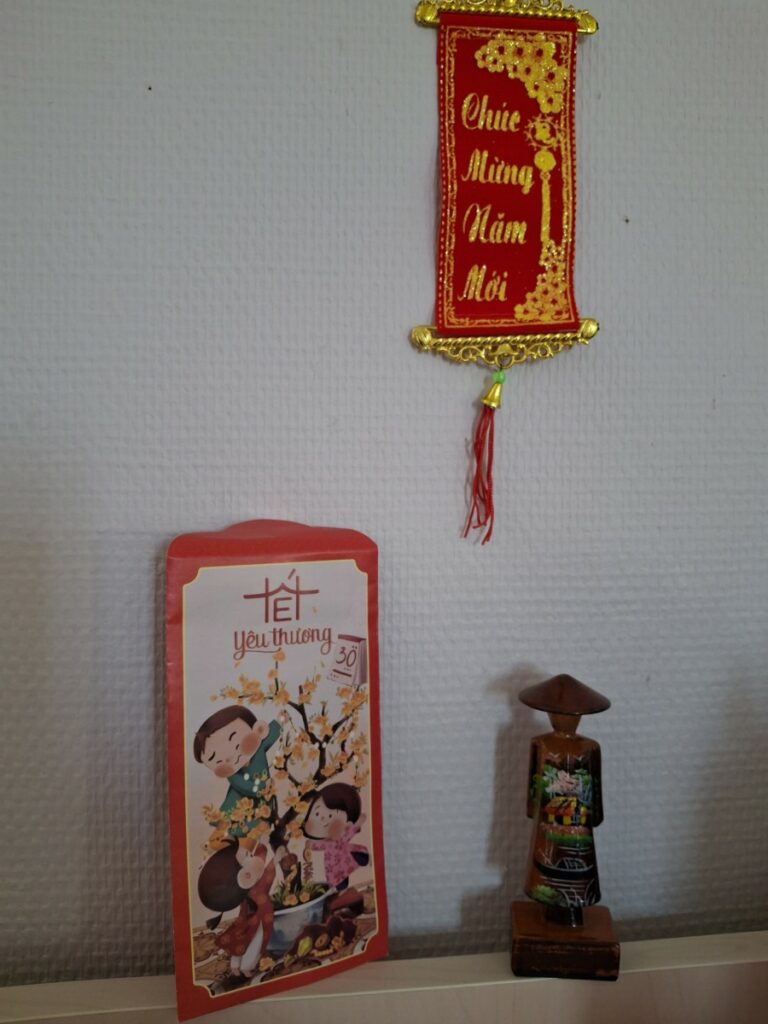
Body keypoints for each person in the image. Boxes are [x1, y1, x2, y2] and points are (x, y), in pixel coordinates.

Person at [194, 705, 281, 836]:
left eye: (234, 740)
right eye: (217, 760)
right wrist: (263, 787)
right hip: (238, 804)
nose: (230, 757)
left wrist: (279, 722)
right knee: (228, 829)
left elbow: (269, 734)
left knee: (258, 828)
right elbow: (244, 786)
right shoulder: (233, 774)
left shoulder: (258, 749)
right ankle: (216, 843)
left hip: (261, 806)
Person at [197, 838, 276, 980]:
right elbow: (265, 876)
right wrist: (274, 859)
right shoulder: (253, 886)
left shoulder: (243, 884)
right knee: (255, 940)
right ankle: (246, 967)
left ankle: (236, 965)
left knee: (241, 937)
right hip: (259, 917)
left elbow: (258, 861)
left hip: (249, 915)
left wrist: (262, 844)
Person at [302, 783, 369, 891]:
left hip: (345, 854)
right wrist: (310, 844)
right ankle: (339, 882)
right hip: (332, 863)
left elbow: (350, 832)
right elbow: (316, 846)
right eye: (317, 814)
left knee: (353, 856)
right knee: (336, 875)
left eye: (330, 816)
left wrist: (358, 823)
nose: (323, 819)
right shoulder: (325, 843)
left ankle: (360, 859)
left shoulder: (342, 837)